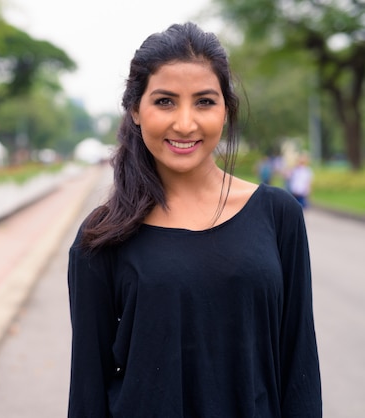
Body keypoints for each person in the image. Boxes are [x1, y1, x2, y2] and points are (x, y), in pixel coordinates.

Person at [67, 22, 322, 417]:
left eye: (204, 102)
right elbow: (87, 389)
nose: (185, 124)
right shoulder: (102, 236)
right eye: (165, 101)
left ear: (226, 110)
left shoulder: (278, 214)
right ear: (135, 110)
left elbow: (298, 362)